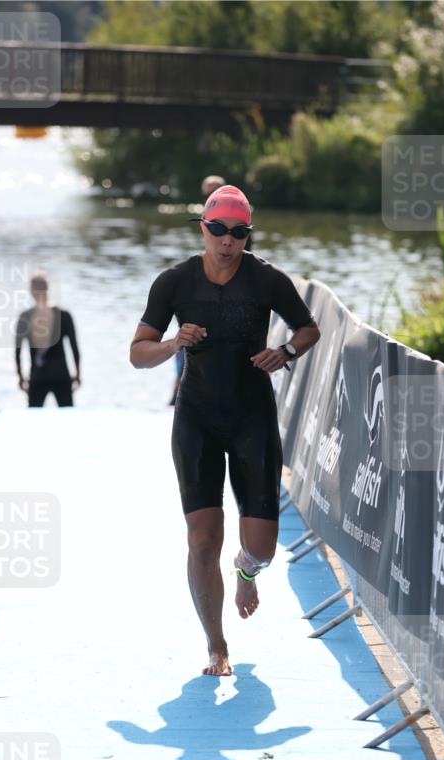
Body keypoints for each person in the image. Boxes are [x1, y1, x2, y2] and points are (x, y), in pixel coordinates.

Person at [130, 185, 320, 677]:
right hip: (196, 418)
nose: (227, 240)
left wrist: (286, 353)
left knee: (262, 546)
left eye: (239, 232)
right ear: (203, 229)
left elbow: (308, 328)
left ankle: (246, 571)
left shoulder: (267, 280)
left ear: (247, 236)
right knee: (200, 540)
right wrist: (173, 343)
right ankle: (216, 644)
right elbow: (137, 353)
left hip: (252, 416)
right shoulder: (174, 283)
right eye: (219, 230)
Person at [169, 174, 229, 407]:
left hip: (220, 295)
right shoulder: (205, 219)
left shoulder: (234, 225)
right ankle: (177, 393)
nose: (206, 198)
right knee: (185, 342)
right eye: (205, 194)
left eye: (211, 193)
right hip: (200, 291)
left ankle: (186, 393)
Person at [15, 271, 81, 407]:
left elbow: (18, 350)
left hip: (38, 375)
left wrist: (20, 376)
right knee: (67, 418)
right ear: (47, 288)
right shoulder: (64, 315)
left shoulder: (25, 317)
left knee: (33, 419)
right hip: (60, 374)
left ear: (32, 290)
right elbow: (74, 347)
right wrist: (78, 373)